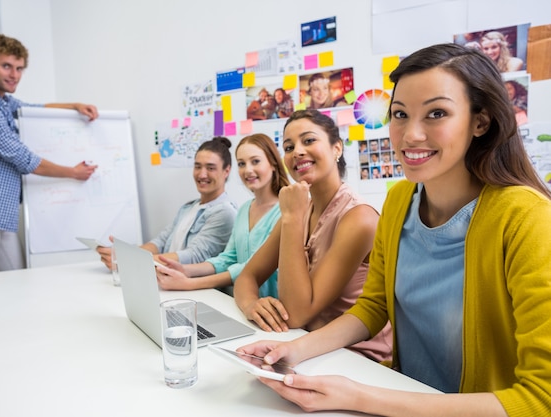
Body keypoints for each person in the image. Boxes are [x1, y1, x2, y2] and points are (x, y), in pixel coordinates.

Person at [236, 43, 551, 416]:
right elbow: (374, 306)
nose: (410, 135)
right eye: (400, 114)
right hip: (402, 391)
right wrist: (293, 349)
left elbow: (539, 399)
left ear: (480, 122)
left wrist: (358, 396)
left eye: (436, 113)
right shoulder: (401, 198)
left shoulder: (527, 218)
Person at [233, 109, 392, 363]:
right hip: (307, 347)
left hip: (359, 359)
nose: (297, 151)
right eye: (288, 146)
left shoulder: (359, 217)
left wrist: (291, 219)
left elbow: (297, 313)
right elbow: (247, 277)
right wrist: (252, 305)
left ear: (337, 149)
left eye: (308, 141)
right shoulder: (300, 208)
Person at [0, 34, 99, 276]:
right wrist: (73, 172)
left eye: (19, 68)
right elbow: (24, 159)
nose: (14, 75)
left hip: (1, 211)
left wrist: (74, 105)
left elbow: (32, 110)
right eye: (6, 66)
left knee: (16, 281)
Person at [155, 133, 290, 297]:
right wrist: (186, 270)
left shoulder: (285, 211)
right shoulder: (244, 209)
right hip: (241, 303)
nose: (247, 170)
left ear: (273, 164)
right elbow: (228, 258)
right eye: (241, 163)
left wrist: (190, 283)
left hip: (271, 307)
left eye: (255, 161)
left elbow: (251, 266)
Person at [97, 137, 237, 269]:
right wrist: (123, 254)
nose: (202, 174)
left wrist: (131, 262)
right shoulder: (188, 207)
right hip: (165, 279)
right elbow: (160, 243)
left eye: (210, 168)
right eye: (197, 166)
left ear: (226, 171)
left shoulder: (224, 212)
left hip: (194, 289)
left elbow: (194, 256)